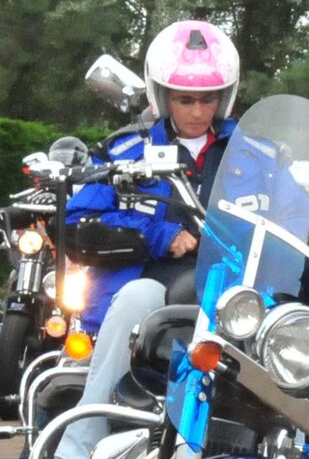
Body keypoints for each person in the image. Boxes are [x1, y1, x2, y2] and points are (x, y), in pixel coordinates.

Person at [62, 19, 241, 332]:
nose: (198, 112)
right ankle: (103, 384)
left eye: (208, 99)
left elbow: (305, 227)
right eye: (185, 100)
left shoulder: (256, 155)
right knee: (135, 299)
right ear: (163, 96)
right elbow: (77, 226)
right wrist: (159, 235)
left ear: (224, 97)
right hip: (149, 285)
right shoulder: (123, 151)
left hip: (239, 292)